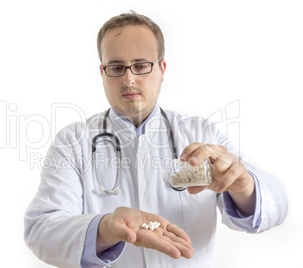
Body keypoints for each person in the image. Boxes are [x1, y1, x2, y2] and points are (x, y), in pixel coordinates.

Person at [24, 11, 288, 267]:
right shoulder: (73, 142)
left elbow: (276, 207)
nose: (129, 79)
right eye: (116, 67)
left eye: (141, 66)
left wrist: (243, 187)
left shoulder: (202, 134)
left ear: (162, 69)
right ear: (103, 73)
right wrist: (106, 227)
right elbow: (42, 231)